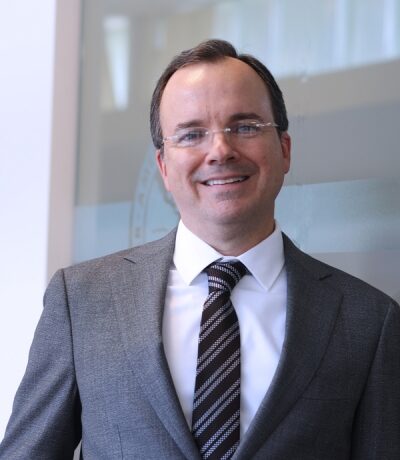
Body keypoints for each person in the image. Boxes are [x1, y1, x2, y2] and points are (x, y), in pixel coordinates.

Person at [1, 39, 399, 460]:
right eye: (192, 134)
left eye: (245, 127)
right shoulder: (83, 300)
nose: (221, 151)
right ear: (163, 167)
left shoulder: (370, 321)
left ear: (284, 150)